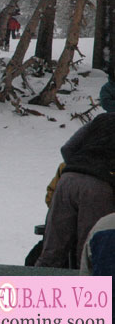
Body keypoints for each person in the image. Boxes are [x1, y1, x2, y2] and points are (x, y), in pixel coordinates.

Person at [35, 113, 115, 268]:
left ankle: (32, 290)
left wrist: (80, 166)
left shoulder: (101, 119)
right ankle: (84, 291)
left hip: (68, 179)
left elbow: (68, 148)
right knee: (89, 254)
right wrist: (100, 172)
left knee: (51, 252)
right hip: (99, 187)